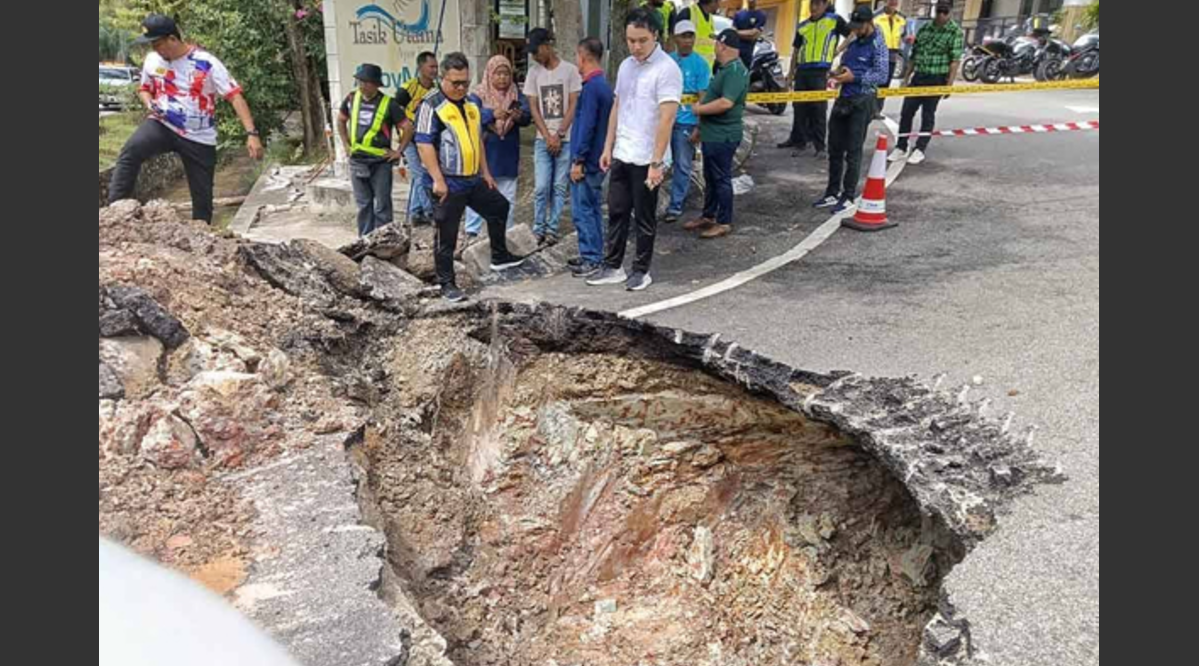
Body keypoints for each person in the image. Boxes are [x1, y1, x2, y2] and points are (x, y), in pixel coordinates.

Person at [109, 14, 264, 224]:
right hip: (162, 123)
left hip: (198, 135)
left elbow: (234, 96)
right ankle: (116, 214)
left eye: (158, 43)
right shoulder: (153, 60)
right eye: (152, 45)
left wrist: (252, 134)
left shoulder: (206, 63)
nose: (155, 49)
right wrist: (149, 103)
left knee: (202, 200)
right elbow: (144, 88)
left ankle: (201, 238)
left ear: (173, 39)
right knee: (130, 153)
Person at [415, 53, 526, 303]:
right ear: (442, 79)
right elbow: (424, 145)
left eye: (465, 82)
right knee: (447, 234)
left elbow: (477, 141)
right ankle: (446, 283)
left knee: (499, 206)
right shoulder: (430, 106)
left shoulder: (470, 105)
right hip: (446, 181)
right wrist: (437, 180)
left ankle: (499, 255)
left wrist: (485, 173)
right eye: (455, 83)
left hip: (471, 178)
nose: (461, 88)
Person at [587, 8, 683, 293]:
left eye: (642, 40)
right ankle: (613, 266)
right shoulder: (627, 65)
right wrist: (608, 146)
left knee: (644, 216)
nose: (636, 46)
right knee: (616, 210)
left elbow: (667, 118)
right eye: (631, 40)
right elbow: (618, 106)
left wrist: (656, 163)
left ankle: (641, 270)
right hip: (623, 152)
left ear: (656, 35)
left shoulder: (667, 70)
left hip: (648, 157)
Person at [815, 5, 890, 217]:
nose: (855, 30)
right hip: (844, 98)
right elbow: (846, 67)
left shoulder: (878, 44)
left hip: (862, 100)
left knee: (853, 150)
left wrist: (854, 78)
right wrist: (837, 74)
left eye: (859, 26)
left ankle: (848, 196)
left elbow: (882, 76)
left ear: (869, 23)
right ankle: (831, 191)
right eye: (854, 26)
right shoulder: (854, 43)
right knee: (835, 148)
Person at [687, 30, 750, 240]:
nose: (714, 47)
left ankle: (724, 221)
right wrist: (700, 128)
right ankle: (709, 215)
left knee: (721, 178)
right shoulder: (725, 69)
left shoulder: (734, 71)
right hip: (712, 134)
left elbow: (726, 103)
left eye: (716, 44)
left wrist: (698, 110)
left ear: (722, 46)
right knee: (711, 177)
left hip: (723, 135)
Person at [524, 28, 583, 247]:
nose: (535, 56)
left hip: (566, 139)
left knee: (559, 186)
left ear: (547, 45)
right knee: (541, 187)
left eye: (537, 50)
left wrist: (558, 134)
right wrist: (547, 135)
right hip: (543, 139)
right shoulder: (534, 73)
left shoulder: (570, 71)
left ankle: (552, 228)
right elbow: (533, 105)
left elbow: (574, 103)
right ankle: (538, 227)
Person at [337, 64, 409, 236]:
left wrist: (399, 151)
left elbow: (408, 127)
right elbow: (340, 120)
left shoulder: (388, 104)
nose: (362, 85)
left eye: (366, 82)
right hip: (357, 160)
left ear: (376, 84)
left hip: (380, 163)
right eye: (360, 81)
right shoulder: (351, 99)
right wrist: (346, 145)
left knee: (382, 205)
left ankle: (387, 241)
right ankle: (365, 241)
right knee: (363, 204)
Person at [465, 56, 531, 238]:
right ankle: (472, 234)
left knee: (507, 197)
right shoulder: (478, 95)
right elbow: (471, 115)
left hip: (507, 156)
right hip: (485, 154)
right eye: (498, 74)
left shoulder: (516, 94)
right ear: (489, 74)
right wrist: (491, 113)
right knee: (478, 196)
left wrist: (518, 116)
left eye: (506, 74)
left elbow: (527, 117)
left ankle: (505, 234)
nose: (502, 78)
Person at [891, 1, 963, 165]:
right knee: (907, 112)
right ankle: (901, 146)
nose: (941, 15)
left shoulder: (954, 32)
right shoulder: (925, 29)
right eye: (939, 11)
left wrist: (948, 85)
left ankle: (920, 148)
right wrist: (906, 78)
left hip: (937, 77)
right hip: (919, 76)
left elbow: (955, 60)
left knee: (927, 115)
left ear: (950, 12)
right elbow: (914, 55)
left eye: (945, 12)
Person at [568, 38, 616, 279]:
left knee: (583, 209)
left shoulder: (591, 88)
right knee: (593, 207)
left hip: (587, 161)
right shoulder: (603, 87)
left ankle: (591, 257)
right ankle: (592, 252)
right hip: (598, 158)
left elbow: (586, 127)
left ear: (583, 56)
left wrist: (578, 160)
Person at [779, 0, 850, 154]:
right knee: (799, 108)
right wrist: (791, 75)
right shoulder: (803, 26)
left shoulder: (833, 20)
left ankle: (819, 146)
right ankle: (798, 141)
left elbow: (852, 34)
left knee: (818, 109)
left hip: (820, 70)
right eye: (812, 4)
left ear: (825, 5)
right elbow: (796, 52)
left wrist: (838, 50)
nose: (814, 7)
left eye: (818, 4)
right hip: (802, 71)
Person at [664, 20, 712, 225]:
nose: (688, 40)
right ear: (675, 38)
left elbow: (703, 98)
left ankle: (675, 205)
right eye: (683, 36)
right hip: (664, 122)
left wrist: (699, 126)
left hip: (686, 123)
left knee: (682, 165)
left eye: (691, 36)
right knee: (660, 163)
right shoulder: (666, 62)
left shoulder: (700, 64)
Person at [400, 53, 439, 227]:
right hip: (408, 139)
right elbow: (396, 112)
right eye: (431, 67)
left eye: (436, 67)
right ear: (420, 68)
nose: (434, 70)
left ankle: (415, 212)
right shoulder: (408, 88)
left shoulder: (436, 89)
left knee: (421, 175)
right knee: (419, 174)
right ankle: (430, 211)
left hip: (427, 138)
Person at [874, 0, 907, 118]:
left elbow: (904, 35)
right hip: (878, 53)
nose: (893, 2)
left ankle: (877, 109)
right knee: (875, 82)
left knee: (885, 83)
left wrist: (906, 40)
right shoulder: (876, 16)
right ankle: (870, 108)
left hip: (893, 54)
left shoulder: (902, 18)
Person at [676, 0, 720, 67]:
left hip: (705, 70)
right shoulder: (688, 13)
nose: (719, 5)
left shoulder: (711, 18)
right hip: (689, 69)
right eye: (718, 2)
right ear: (712, 2)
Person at [733, 0, 769, 68]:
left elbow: (753, 34)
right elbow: (732, 31)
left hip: (749, 53)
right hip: (735, 51)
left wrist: (737, 33)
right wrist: (748, 33)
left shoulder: (761, 15)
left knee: (745, 74)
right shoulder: (738, 14)